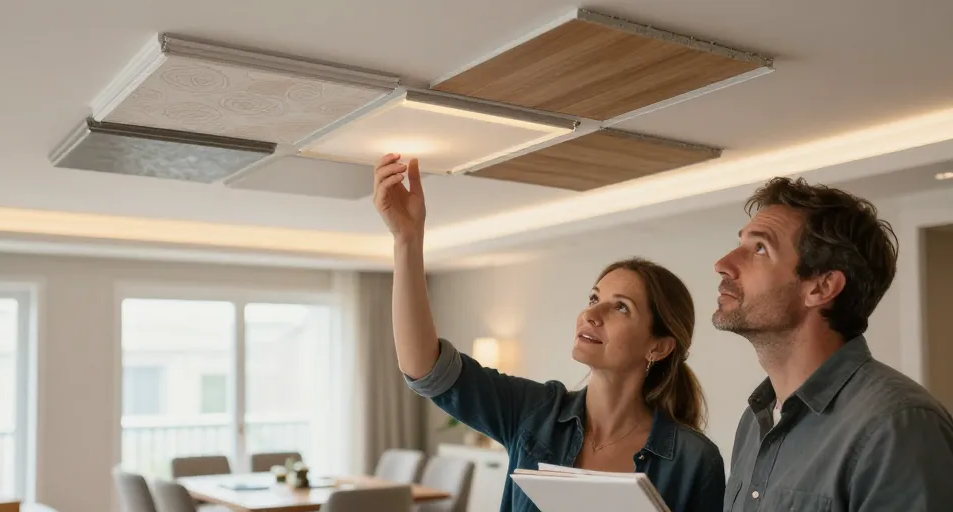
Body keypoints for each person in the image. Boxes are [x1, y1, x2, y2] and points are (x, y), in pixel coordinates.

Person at [373, 153, 725, 512]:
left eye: (620, 307)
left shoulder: (694, 459)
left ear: (659, 347)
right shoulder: (533, 413)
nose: (591, 313)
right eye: (594, 298)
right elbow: (427, 370)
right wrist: (407, 239)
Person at [713, 177, 953, 511]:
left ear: (822, 288)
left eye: (759, 249)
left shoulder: (898, 425)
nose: (723, 264)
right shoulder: (755, 422)